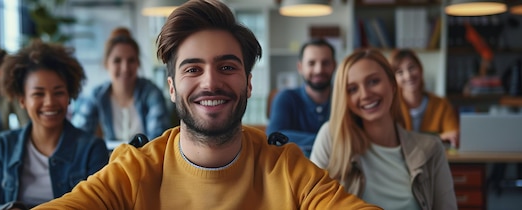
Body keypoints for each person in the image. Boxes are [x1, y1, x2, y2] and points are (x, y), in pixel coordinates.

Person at [33, 1, 379, 209]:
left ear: (248, 83)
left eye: (227, 67)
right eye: (193, 69)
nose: (211, 82)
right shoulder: (134, 170)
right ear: (171, 88)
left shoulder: (287, 169)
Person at [310, 49, 457, 209]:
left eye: (373, 81)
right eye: (352, 89)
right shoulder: (332, 137)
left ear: (393, 85)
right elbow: (311, 204)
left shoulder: (431, 149)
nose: (365, 94)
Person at [0, 40, 109, 210]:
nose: (50, 102)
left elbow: (104, 205)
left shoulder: (91, 148)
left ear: (69, 96)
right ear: (22, 100)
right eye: (38, 94)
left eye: (58, 92)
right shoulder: (6, 145)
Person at [72, 27, 170, 142]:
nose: (125, 68)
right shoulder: (97, 95)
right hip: (111, 159)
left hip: (146, 159)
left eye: (131, 60)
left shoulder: (151, 94)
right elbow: (77, 136)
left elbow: (158, 141)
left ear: (138, 63)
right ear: (106, 64)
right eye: (117, 61)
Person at [266, 39, 336, 157]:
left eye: (325, 63)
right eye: (311, 63)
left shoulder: (346, 98)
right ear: (300, 67)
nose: (319, 70)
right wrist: (327, 142)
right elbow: (274, 136)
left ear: (334, 65)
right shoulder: (285, 97)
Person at [389, 49, 459, 148]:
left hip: (434, 161)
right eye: (400, 72)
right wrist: (438, 137)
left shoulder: (442, 104)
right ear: (394, 78)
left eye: (411, 68)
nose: (408, 76)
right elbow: (390, 140)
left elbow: (453, 135)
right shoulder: (391, 106)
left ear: (420, 69)